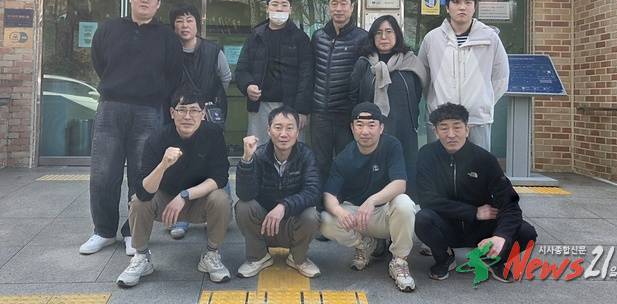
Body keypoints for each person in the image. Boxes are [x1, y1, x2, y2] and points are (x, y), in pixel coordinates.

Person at [80, 0, 182, 256]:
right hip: (111, 108)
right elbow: (100, 63)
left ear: (158, 4)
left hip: (149, 111)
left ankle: (132, 232)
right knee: (103, 173)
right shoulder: (109, 29)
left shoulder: (167, 37)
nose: (145, 0)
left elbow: (173, 74)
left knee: (141, 174)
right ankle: (103, 231)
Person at [116, 87, 232, 287]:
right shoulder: (157, 138)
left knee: (221, 198)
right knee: (138, 201)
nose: (187, 116)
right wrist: (163, 165)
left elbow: (220, 177)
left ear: (203, 114)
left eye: (194, 110)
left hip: (198, 201)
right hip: (165, 201)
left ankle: (211, 255)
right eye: (182, 110)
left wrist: (185, 195)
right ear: (172, 113)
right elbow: (143, 190)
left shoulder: (213, 134)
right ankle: (141, 257)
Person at [415, 103, 537, 282]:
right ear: (436, 131)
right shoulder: (426, 155)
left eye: (457, 127)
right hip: (447, 226)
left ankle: (493, 260)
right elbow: (427, 199)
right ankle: (445, 258)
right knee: (423, 219)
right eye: (444, 128)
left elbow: (510, 203)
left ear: (467, 129)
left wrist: (501, 236)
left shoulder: (485, 159)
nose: (451, 134)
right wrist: (473, 212)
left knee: (527, 232)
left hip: (481, 229)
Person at [321, 102, 417, 292]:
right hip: (359, 218)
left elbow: (400, 183)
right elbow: (329, 195)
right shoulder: (344, 157)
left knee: (404, 203)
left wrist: (372, 200)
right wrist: (340, 212)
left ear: (381, 128)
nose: (365, 131)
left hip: (386, 215)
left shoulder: (391, 145)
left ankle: (399, 260)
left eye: (371, 125)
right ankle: (365, 245)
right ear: (352, 128)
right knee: (325, 220)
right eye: (360, 125)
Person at [417, 0, 509, 152]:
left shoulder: (490, 38)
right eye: (456, 2)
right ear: (447, 7)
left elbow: (501, 77)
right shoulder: (432, 39)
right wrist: (435, 101)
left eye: (468, 2)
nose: (462, 7)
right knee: (439, 164)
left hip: (476, 120)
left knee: (478, 165)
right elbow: (424, 78)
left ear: (474, 7)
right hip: (441, 119)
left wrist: (482, 101)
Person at [168, 3, 231, 240]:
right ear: (173, 26)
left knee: (215, 161)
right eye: (179, 21)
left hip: (207, 115)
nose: (185, 25)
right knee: (178, 163)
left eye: (189, 20)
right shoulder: (168, 50)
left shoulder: (213, 50)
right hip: (179, 117)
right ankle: (181, 217)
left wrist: (209, 104)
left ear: (197, 23)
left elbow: (225, 77)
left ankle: (218, 214)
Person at [235, 105, 321, 279]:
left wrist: (283, 206)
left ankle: (298, 259)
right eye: (278, 127)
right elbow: (245, 194)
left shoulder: (306, 155)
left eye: (289, 128)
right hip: (264, 225)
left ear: (297, 132)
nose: (283, 134)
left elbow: (313, 192)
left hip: (292, 224)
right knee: (243, 206)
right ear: (268, 130)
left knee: (311, 215)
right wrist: (246, 160)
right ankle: (258, 257)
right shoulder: (259, 155)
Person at [349, 15, 427, 200]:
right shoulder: (364, 63)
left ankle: (406, 207)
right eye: (379, 33)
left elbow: (417, 94)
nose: (383, 37)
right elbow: (353, 95)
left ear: (397, 35)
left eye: (389, 31)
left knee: (404, 171)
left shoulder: (410, 62)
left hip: (404, 128)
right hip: (372, 129)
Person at [235, 0, 313, 143]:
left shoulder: (300, 38)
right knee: (258, 148)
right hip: (260, 106)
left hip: (291, 107)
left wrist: (303, 110)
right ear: (267, 8)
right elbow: (242, 69)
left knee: (291, 149)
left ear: (290, 9)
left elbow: (307, 76)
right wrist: (248, 85)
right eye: (275, 4)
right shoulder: (256, 36)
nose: (279, 8)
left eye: (284, 5)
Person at [311, 0, 367, 180]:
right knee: (320, 163)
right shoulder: (318, 37)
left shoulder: (362, 38)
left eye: (344, 3)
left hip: (346, 114)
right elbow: (311, 73)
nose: (339, 8)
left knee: (347, 161)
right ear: (328, 7)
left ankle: (344, 198)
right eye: (334, 3)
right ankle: (320, 198)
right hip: (320, 114)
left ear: (352, 7)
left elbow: (364, 79)